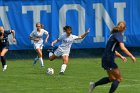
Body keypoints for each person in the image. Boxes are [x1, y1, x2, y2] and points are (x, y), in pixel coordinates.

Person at [89, 21, 136, 93]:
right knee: (119, 78)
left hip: (105, 58)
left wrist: (121, 56)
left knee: (112, 78)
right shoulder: (119, 35)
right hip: (109, 59)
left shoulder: (113, 34)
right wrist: (131, 56)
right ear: (124, 28)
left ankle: (94, 84)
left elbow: (111, 49)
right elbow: (123, 48)